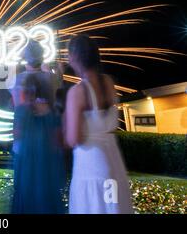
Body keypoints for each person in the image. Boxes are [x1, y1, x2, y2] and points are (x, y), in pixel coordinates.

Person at [65, 35, 133, 214]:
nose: (67, 59)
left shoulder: (77, 92)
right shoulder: (108, 83)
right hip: (113, 160)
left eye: (68, 54)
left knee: (93, 206)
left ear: (75, 57)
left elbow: (74, 139)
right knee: (113, 206)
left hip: (91, 165)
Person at [11, 74, 66, 214]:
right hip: (47, 165)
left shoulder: (22, 110)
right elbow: (58, 142)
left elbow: (16, 135)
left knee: (26, 198)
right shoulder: (53, 112)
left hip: (27, 164)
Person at [9, 40, 63, 156]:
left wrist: (18, 59)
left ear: (26, 59)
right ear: (42, 58)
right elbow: (58, 84)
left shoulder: (16, 80)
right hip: (47, 140)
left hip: (23, 140)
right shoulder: (51, 78)